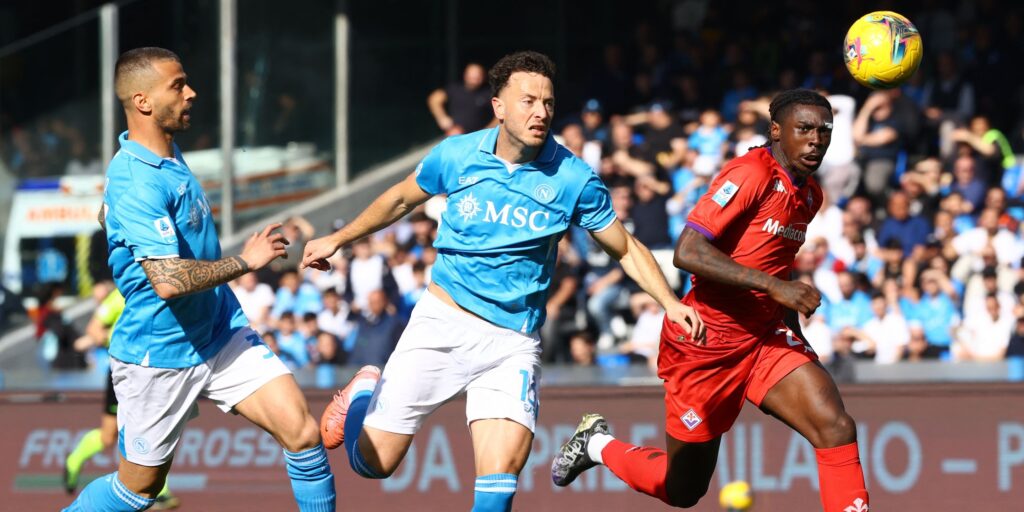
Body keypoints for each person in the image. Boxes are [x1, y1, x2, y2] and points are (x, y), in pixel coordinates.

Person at [302, 51, 702, 512]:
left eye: (548, 103)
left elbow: (626, 247)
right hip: (441, 323)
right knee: (372, 465)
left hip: (511, 342)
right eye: (528, 100)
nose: (541, 112)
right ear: (498, 107)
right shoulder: (456, 155)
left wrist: (671, 303)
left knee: (496, 496)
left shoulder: (573, 177)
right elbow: (397, 201)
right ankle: (364, 393)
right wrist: (338, 237)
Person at [552, 89, 870, 512]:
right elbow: (689, 252)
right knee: (684, 491)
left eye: (824, 131)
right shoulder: (750, 173)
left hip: (763, 337)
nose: (816, 139)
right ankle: (597, 444)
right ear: (776, 131)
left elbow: (775, 264)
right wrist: (775, 288)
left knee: (835, 427)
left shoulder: (810, 196)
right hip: (707, 343)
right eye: (805, 129)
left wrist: (792, 329)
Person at [62, 47, 335, 512]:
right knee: (137, 491)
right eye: (178, 85)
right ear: (143, 101)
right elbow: (167, 281)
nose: (191, 93)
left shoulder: (160, 152)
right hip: (160, 351)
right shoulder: (137, 180)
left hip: (219, 330)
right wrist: (245, 263)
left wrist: (123, 230)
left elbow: (106, 213)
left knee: (304, 434)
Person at [63, 285, 180, 509]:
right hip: (124, 371)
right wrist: (124, 335)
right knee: (110, 436)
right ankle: (74, 459)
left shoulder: (168, 288)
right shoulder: (122, 294)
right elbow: (94, 330)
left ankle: (160, 490)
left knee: (151, 427)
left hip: (157, 369)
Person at [427, 62, 494, 136]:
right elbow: (435, 98)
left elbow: (498, 116)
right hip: (454, 137)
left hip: (477, 139)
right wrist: (442, 118)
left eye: (478, 75)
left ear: (483, 76)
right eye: (472, 75)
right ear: (465, 75)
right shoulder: (455, 89)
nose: (474, 78)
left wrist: (486, 132)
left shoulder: (488, 94)